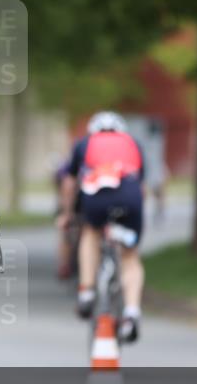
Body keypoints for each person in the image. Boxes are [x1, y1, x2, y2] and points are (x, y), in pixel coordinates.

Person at [57, 111, 146, 342]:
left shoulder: (84, 143)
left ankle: (86, 292)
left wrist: (67, 214)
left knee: (91, 233)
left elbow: (69, 183)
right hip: (130, 196)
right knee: (130, 258)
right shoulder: (133, 143)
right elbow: (141, 184)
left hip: (97, 195)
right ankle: (132, 313)